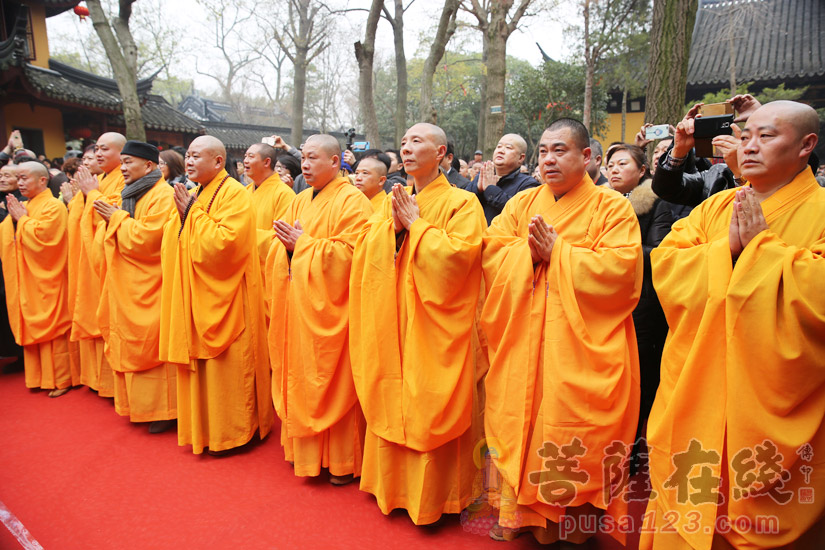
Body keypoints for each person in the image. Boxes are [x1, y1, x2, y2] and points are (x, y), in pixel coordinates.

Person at [642, 101, 825, 549]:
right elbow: (667, 263)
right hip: (697, 383)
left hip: (773, 395)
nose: (751, 146)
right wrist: (723, 251)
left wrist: (760, 251)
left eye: (767, 136)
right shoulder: (716, 206)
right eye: (746, 137)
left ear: (806, 145)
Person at [480, 118, 642, 546]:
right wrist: (528, 256)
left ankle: (570, 522)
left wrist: (560, 254)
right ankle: (517, 512)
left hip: (579, 347)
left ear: (587, 157)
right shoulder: (521, 203)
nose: (548, 159)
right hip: (522, 338)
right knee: (517, 420)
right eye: (543, 151)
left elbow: (623, 273)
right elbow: (493, 251)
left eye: (560, 150)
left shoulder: (612, 207)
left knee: (572, 430)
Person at [350, 123, 486, 525]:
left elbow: (462, 260)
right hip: (392, 321)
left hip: (435, 326)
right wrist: (392, 227)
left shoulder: (464, 203)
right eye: (405, 142)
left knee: (429, 401)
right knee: (392, 394)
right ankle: (391, 486)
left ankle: (440, 497)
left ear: (442, 152)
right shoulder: (390, 201)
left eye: (418, 142)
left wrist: (417, 227)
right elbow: (365, 253)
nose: (407, 149)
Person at [268, 134, 372, 484]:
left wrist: (305, 246)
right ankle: (305, 453)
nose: (306, 165)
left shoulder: (354, 201)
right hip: (300, 306)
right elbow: (279, 244)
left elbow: (356, 256)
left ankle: (341, 462)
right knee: (300, 375)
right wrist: (286, 247)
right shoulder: (299, 200)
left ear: (335, 161)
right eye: (304, 159)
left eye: (314, 158)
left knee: (333, 380)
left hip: (333, 311)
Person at [159, 135, 273, 455]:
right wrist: (185, 215)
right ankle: (207, 429)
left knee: (230, 368)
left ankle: (236, 431)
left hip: (229, 296)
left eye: (196, 156)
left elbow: (226, 246)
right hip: (198, 294)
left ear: (219, 162)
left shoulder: (234, 194)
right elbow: (175, 241)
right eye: (188, 156)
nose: (189, 161)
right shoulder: (195, 193)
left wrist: (191, 215)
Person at [92, 141, 177, 433]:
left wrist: (115, 218)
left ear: (149, 166)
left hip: (152, 282)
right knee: (130, 341)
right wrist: (115, 218)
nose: (123, 168)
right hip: (127, 280)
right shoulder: (132, 193)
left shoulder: (162, 195)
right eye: (123, 162)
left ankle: (166, 410)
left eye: (128, 162)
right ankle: (136, 406)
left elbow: (149, 240)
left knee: (151, 343)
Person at [605, 144, 672, 439]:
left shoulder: (657, 203)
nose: (615, 169)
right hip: (601, 297)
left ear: (642, 171)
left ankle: (631, 443)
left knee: (639, 375)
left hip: (641, 303)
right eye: (612, 165)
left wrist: (611, 252)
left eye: (623, 164)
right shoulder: (596, 202)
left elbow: (658, 253)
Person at [0, 162, 79, 397]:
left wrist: (22, 221)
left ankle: (63, 378)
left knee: (55, 329)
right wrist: (15, 221)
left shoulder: (54, 206)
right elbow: (9, 235)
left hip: (49, 279)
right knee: (33, 324)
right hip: (29, 279)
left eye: (24, 178)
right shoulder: (25, 205)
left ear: (42, 180)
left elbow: (48, 242)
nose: (20, 183)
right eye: (18, 179)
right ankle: (38, 377)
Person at [70, 132, 126, 397]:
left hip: (107, 258)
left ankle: (113, 385)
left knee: (109, 318)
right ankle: (97, 381)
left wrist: (90, 194)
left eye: (105, 149)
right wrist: (83, 196)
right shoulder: (100, 179)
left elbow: (112, 215)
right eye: (97, 149)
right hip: (91, 256)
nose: (99, 154)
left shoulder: (123, 180)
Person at [242, 142, 295, 292]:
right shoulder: (244, 192)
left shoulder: (284, 194)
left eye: (251, 156)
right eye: (245, 156)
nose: (245, 160)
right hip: (243, 270)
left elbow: (281, 238)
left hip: (267, 275)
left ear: (266, 162)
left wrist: (244, 237)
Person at [465, 134, 540, 225]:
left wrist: (490, 189)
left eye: (508, 147)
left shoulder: (528, 184)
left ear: (521, 158)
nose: (501, 151)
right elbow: (463, 202)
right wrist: (477, 189)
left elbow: (518, 212)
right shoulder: (483, 176)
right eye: (499, 147)